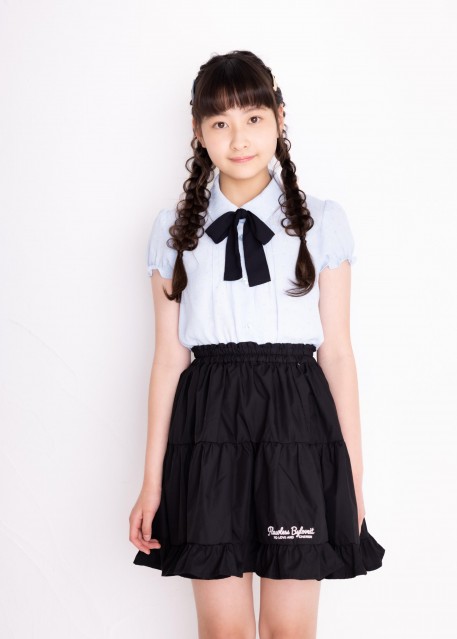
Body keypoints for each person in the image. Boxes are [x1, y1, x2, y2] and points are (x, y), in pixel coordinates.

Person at [129, 49, 385, 639]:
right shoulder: (174, 231)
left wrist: (352, 477)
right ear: (198, 131)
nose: (239, 138)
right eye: (220, 122)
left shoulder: (322, 221)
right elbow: (168, 360)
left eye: (253, 118)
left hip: (297, 426)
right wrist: (151, 482)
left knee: (289, 631)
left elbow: (337, 354)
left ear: (279, 118)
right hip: (207, 427)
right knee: (224, 632)